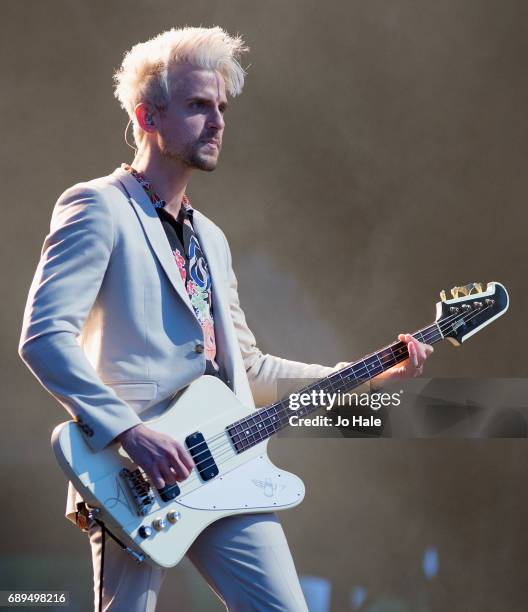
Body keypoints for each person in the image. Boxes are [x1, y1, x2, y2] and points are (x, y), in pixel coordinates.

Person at [18, 26, 433, 612]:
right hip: (133, 478)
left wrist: (363, 376)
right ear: (148, 116)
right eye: (197, 105)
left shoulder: (211, 238)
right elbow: (43, 338)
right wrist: (131, 434)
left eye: (221, 107)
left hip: (226, 468)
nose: (216, 121)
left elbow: (252, 369)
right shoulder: (97, 206)